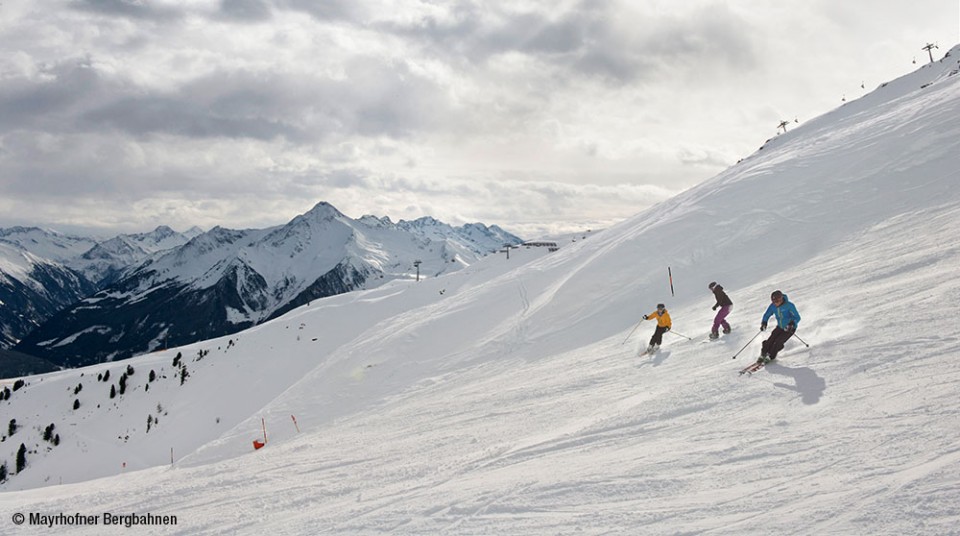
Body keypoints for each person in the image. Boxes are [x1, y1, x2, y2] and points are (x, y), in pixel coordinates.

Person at [758, 290, 801, 364]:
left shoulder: (789, 305)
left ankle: (771, 356)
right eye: (774, 301)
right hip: (780, 327)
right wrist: (764, 322)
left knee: (777, 342)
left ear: (781, 299)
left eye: (777, 301)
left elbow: (797, 317)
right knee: (770, 340)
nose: (776, 303)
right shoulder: (773, 306)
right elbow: (767, 314)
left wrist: (792, 323)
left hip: (789, 328)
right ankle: (763, 353)